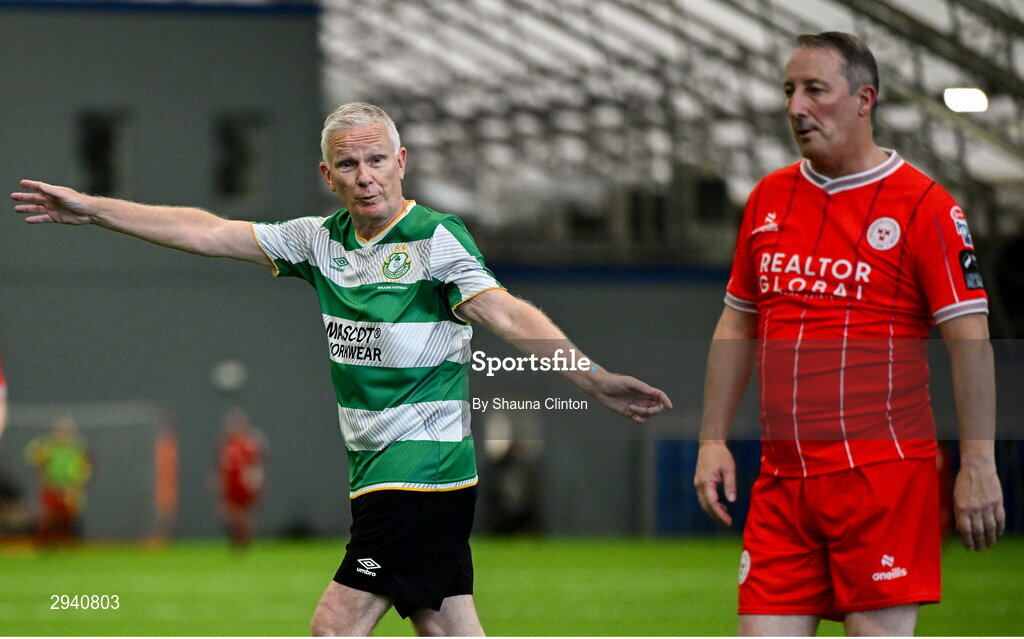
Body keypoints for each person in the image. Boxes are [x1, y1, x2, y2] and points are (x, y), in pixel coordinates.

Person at [11, 101, 672, 636]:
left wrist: (592, 377)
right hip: (382, 473)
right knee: (446, 626)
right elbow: (205, 229)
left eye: (377, 159)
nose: (366, 175)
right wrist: (95, 209)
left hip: (422, 472)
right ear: (327, 175)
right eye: (348, 163)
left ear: (402, 162)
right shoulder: (318, 241)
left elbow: (506, 313)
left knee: (334, 626)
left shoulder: (435, 240)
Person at [694, 32, 1005, 636]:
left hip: (882, 479)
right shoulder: (767, 199)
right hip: (782, 481)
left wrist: (978, 463)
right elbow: (738, 321)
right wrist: (712, 439)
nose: (796, 107)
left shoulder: (925, 206)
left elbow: (971, 340)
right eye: (788, 91)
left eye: (815, 89)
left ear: (865, 99)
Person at [24, 416, 92, 546]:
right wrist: (44, 475)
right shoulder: (48, 446)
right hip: (52, 486)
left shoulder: (78, 447)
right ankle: (45, 543)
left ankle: (65, 543)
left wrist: (77, 486)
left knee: (67, 517)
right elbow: (35, 461)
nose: (64, 434)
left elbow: (84, 467)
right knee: (50, 517)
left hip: (70, 487)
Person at [217, 408, 266, 547]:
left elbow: (256, 465)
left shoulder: (250, 444)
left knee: (244, 515)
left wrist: (256, 483)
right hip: (231, 486)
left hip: (244, 485)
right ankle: (237, 540)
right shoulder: (226, 444)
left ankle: (245, 540)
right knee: (230, 515)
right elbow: (220, 467)